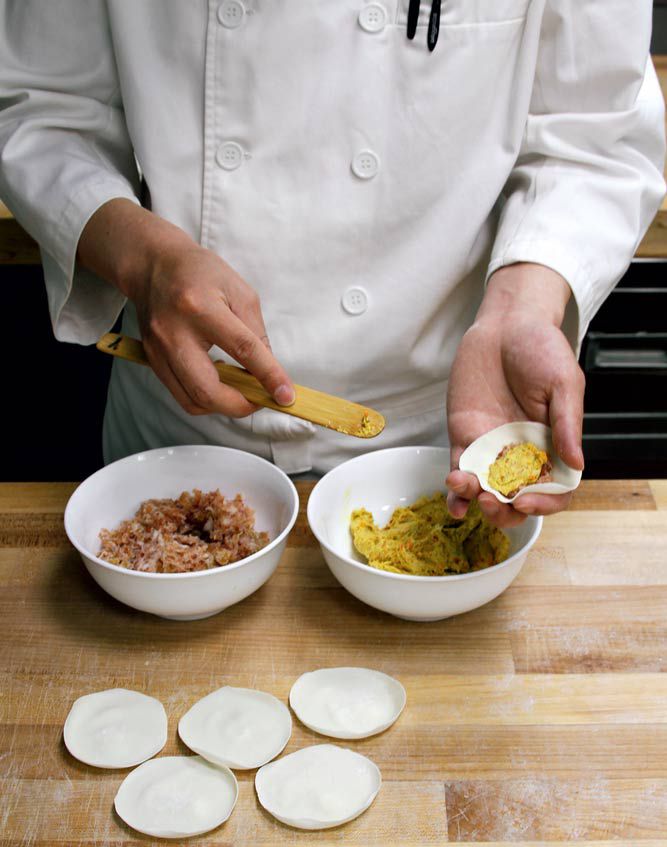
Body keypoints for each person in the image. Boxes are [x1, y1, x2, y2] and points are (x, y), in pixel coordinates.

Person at [0, 1, 664, 529]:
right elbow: (40, 106)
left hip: (436, 432)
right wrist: (146, 258)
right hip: (181, 425)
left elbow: (592, 136)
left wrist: (521, 309)